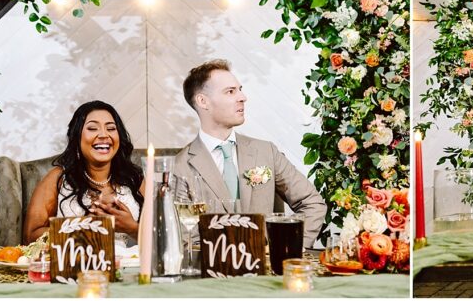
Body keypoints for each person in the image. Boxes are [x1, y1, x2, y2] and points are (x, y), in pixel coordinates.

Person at [173, 59, 326, 248]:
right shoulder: (180, 166)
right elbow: (185, 238)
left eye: (240, 89)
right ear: (203, 101)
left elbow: (312, 202)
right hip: (213, 273)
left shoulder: (266, 152)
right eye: (230, 91)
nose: (243, 97)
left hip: (268, 273)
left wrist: (288, 248)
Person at [24, 100, 145, 244]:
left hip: (128, 265)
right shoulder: (58, 178)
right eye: (93, 128)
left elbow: (162, 238)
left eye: (111, 128)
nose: (104, 135)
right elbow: (30, 236)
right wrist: (83, 228)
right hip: (77, 265)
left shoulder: (134, 179)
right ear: (77, 137)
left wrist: (132, 228)